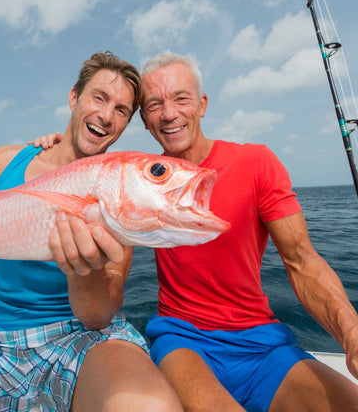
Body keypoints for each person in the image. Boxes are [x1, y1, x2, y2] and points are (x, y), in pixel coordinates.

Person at [32, 52, 358, 411]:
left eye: (181, 98)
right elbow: (95, 188)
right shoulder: (138, 180)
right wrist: (54, 150)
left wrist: (350, 331)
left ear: (202, 105)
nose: (168, 113)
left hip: (262, 343)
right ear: (144, 119)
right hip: (182, 341)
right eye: (154, 104)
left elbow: (303, 262)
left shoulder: (256, 162)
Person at [0, 51, 183, 412]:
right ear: (74, 97)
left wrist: (83, 268)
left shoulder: (120, 199)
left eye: (121, 110)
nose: (106, 115)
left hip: (82, 340)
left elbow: (97, 316)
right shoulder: (5, 161)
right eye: (99, 98)